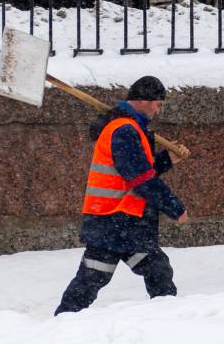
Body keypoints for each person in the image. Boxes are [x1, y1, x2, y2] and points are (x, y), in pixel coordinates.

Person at [54, 76, 189, 315]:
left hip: (117, 221)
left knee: (145, 271)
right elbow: (140, 179)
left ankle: (65, 318)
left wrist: (167, 159)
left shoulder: (129, 127)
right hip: (117, 220)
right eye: (159, 103)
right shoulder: (124, 130)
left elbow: (138, 172)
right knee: (101, 277)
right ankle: (64, 320)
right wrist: (174, 207)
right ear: (145, 101)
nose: (159, 109)